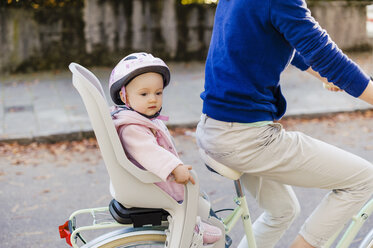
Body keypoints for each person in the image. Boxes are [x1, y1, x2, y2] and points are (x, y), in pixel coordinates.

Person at [195, 1, 373, 248]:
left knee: (282, 211)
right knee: (363, 179)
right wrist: (336, 73)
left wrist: (329, 76)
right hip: (246, 138)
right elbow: (324, 53)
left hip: (214, 127)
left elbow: (288, 38)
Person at [108, 52, 222, 245]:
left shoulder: (141, 118)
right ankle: (192, 226)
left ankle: (195, 220)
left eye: (158, 93)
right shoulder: (131, 128)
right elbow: (148, 152)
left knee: (196, 195)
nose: (153, 99)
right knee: (187, 194)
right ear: (123, 95)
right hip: (150, 184)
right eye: (144, 94)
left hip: (150, 181)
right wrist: (173, 167)